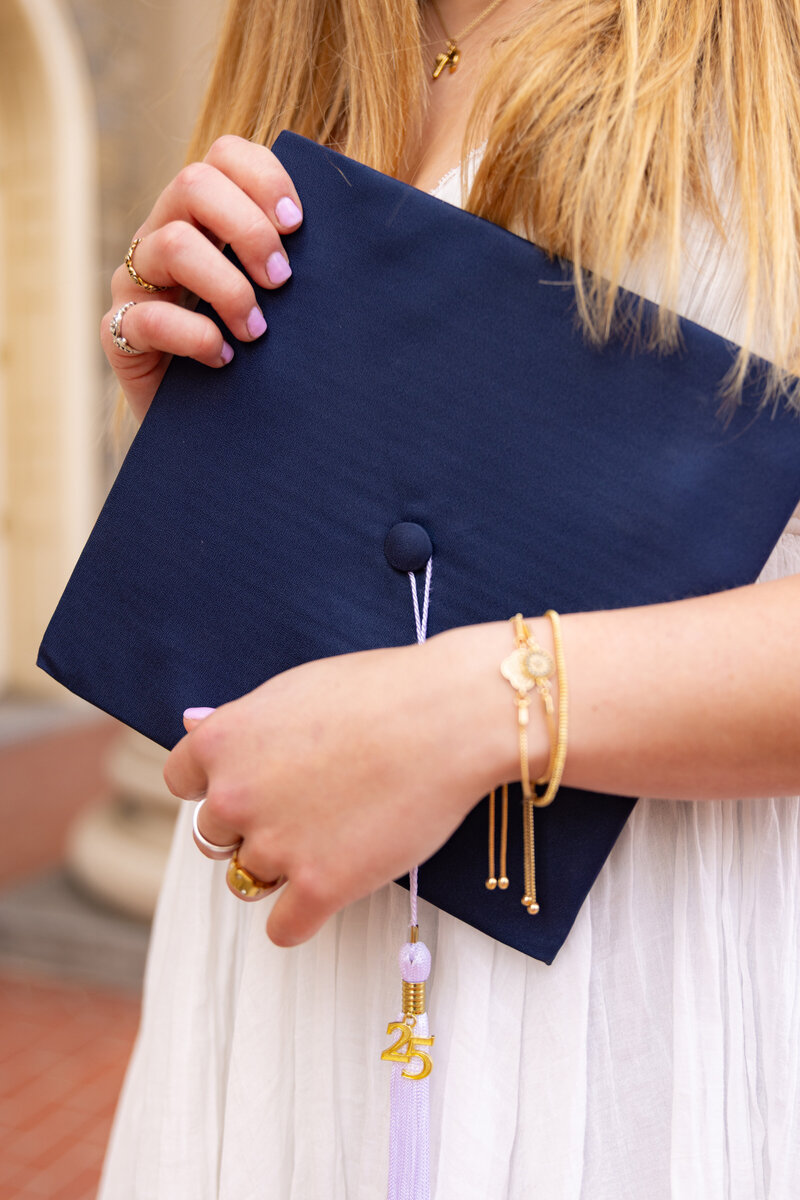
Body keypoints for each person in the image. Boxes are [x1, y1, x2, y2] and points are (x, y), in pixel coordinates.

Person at [98, 1, 800, 1196]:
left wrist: (480, 704)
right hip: (289, 981)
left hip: (629, 990)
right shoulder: (311, 31)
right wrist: (194, 405)